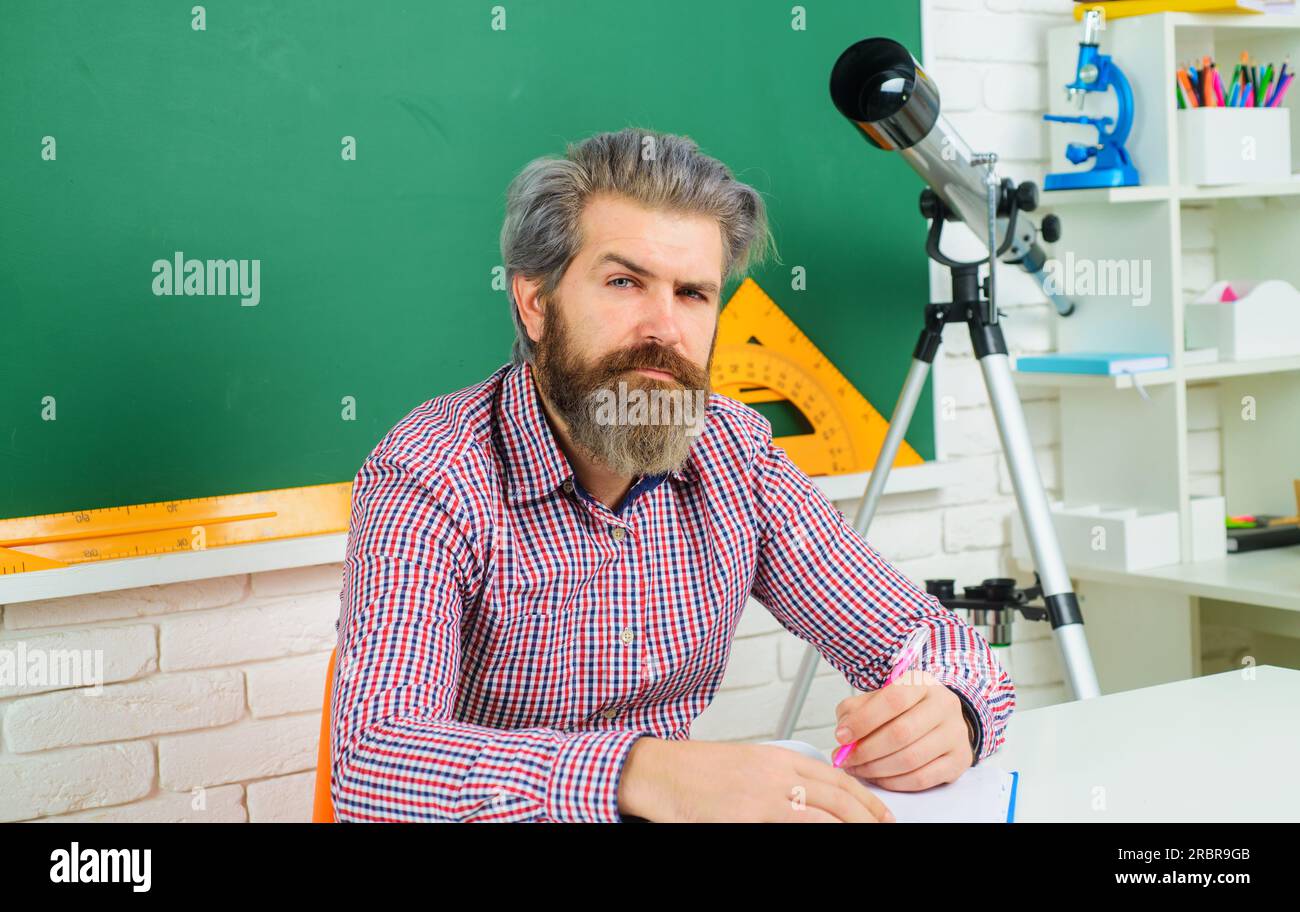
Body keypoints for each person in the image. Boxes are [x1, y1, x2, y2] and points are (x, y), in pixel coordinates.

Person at [331, 127, 1015, 823]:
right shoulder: (428, 472)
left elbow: (934, 641)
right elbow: (374, 762)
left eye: (693, 294)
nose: (664, 327)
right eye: (625, 282)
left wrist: (951, 711)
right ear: (535, 303)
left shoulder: (733, 452)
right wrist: (640, 772)